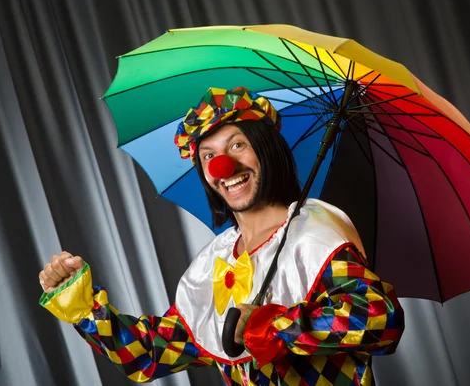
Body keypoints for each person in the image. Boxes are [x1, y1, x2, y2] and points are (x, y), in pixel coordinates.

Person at [39, 87, 405, 386]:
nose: (222, 166)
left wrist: (274, 325)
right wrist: (84, 308)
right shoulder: (219, 262)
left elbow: (379, 318)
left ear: (267, 149)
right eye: (208, 155)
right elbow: (149, 355)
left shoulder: (314, 236)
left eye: (237, 145)